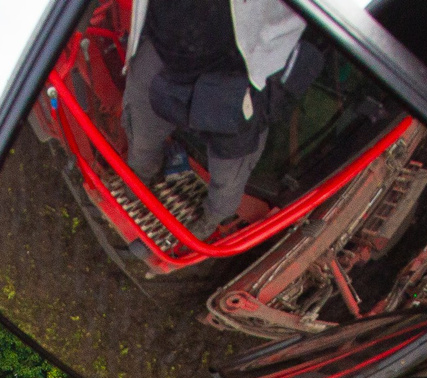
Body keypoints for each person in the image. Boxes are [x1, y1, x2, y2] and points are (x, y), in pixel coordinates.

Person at [122, 0, 308, 239]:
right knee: (141, 125)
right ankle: (139, 175)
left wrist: (266, 80)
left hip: (239, 71)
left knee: (230, 167)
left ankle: (213, 216)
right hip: (168, 44)